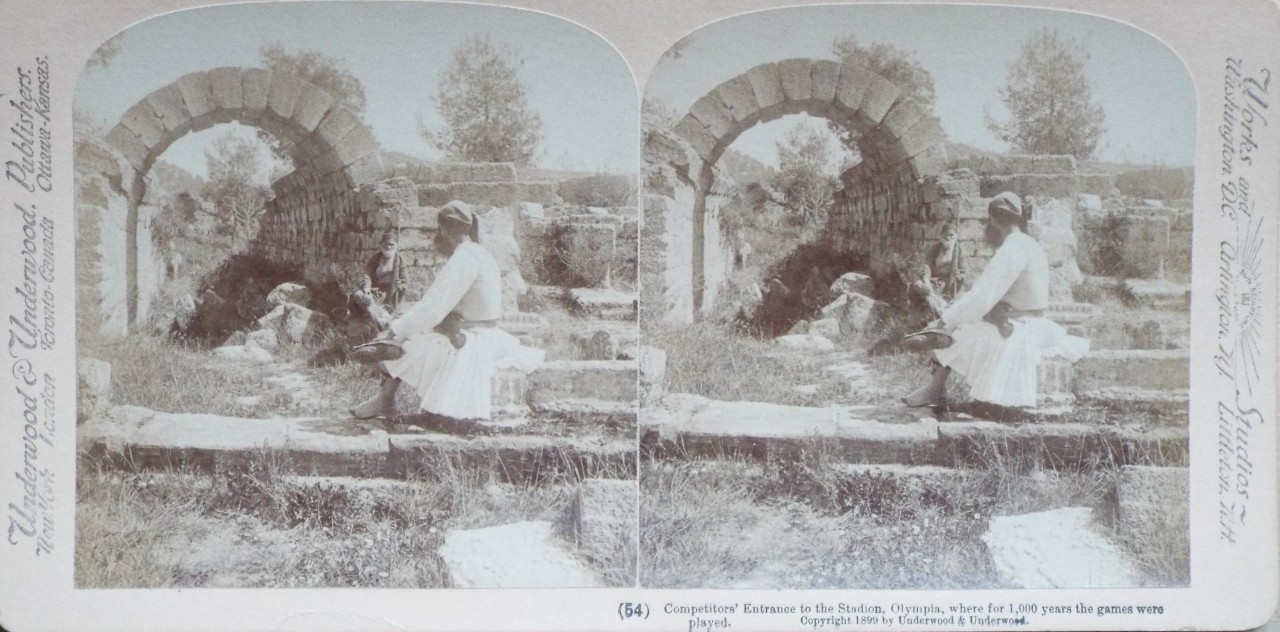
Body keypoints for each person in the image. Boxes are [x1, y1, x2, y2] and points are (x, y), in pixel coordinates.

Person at [349, 201, 543, 421]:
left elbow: (433, 308)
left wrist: (394, 331)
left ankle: (385, 400)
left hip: (471, 340)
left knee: (400, 343)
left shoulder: (464, 259)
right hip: (479, 332)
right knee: (406, 334)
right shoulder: (479, 253)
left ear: (442, 229)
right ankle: (385, 400)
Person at [902, 192, 1089, 409]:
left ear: (993, 221)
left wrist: (947, 319)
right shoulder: (1029, 244)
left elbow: (982, 296)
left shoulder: (1012, 249)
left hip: (1017, 329)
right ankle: (935, 388)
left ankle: (935, 389)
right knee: (957, 325)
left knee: (948, 333)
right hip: (1031, 323)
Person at [365, 231, 407, 309]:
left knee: (373, 305)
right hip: (373, 289)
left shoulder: (399, 260)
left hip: (389, 293)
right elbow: (367, 274)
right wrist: (366, 288)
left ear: (396, 246)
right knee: (358, 297)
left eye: (391, 244)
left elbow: (404, 282)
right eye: (386, 244)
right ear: (381, 245)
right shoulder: (376, 258)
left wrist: (399, 285)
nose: (388, 247)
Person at [926, 223, 967, 299]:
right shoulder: (934, 250)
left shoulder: (959, 251)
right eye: (946, 235)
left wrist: (958, 275)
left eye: (951, 235)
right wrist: (926, 278)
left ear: (956, 236)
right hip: (935, 281)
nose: (948, 238)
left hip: (951, 284)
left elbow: (963, 272)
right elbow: (926, 266)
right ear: (941, 236)